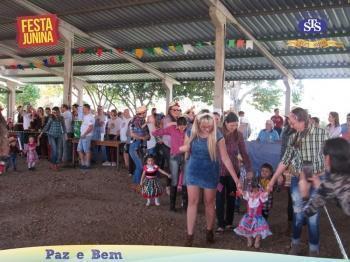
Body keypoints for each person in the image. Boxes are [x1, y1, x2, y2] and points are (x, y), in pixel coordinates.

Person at [267, 107, 329, 256]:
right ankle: (295, 243)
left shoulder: (322, 133)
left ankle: (313, 248)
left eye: (292, 122)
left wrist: (323, 174)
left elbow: (329, 155)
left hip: (316, 178)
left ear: (302, 119)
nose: (290, 125)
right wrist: (273, 180)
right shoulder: (293, 137)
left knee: (313, 215)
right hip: (297, 178)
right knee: (298, 213)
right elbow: (285, 160)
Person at [180, 113, 241, 247]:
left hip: (211, 170)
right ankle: (189, 235)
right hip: (193, 169)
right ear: (198, 124)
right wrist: (183, 151)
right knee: (192, 202)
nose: (207, 129)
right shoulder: (191, 131)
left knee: (209, 202)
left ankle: (209, 231)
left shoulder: (217, 134)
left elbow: (225, 158)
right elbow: (186, 149)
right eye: (204, 126)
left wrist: (236, 179)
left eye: (210, 126)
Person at [216, 112, 253, 233]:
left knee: (232, 196)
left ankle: (229, 223)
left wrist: (249, 169)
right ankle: (220, 223)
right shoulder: (217, 132)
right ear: (225, 123)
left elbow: (244, 153)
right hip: (219, 172)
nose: (234, 127)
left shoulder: (239, 135)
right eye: (231, 125)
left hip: (234, 172)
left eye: (236, 125)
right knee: (219, 197)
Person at [301, 138, 350, 216]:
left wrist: (305, 195)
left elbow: (308, 211)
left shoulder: (332, 181)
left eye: (324, 156)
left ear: (328, 158)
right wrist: (321, 187)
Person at [153, 116, 188, 212]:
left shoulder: (189, 130)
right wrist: (157, 133)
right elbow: (156, 132)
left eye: (184, 127)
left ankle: (185, 206)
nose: (182, 128)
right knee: (174, 180)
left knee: (185, 180)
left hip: (185, 157)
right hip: (174, 157)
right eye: (180, 126)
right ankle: (172, 206)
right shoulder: (171, 129)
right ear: (177, 125)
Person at [234, 181, 272, 248]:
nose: (254, 190)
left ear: (259, 189)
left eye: (256, 189)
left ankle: (257, 240)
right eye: (253, 189)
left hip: (258, 218)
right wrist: (239, 187)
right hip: (248, 217)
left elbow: (266, 193)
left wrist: (268, 189)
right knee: (247, 229)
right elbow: (242, 192)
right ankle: (249, 239)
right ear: (250, 189)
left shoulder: (261, 196)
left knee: (259, 230)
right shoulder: (249, 195)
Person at [39, 107, 67, 171]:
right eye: (53, 112)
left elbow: (64, 126)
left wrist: (66, 135)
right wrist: (41, 133)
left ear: (58, 112)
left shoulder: (61, 118)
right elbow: (47, 126)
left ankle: (53, 163)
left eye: (55, 112)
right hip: (51, 135)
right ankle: (55, 164)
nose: (53, 113)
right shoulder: (51, 118)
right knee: (55, 150)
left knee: (58, 150)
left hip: (59, 135)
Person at [129, 105, 150, 185]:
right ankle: (137, 183)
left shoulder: (141, 120)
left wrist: (146, 137)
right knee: (140, 166)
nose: (146, 113)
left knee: (140, 166)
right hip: (135, 145)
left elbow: (146, 134)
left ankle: (136, 182)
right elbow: (132, 134)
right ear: (143, 113)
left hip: (138, 146)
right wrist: (143, 138)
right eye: (146, 112)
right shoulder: (135, 120)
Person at [77, 104, 95, 170]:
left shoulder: (90, 117)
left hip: (87, 136)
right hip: (82, 135)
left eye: (84, 109)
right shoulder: (85, 116)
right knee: (79, 149)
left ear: (87, 109)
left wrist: (84, 134)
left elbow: (91, 127)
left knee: (86, 150)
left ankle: (87, 164)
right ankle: (83, 163)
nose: (83, 110)